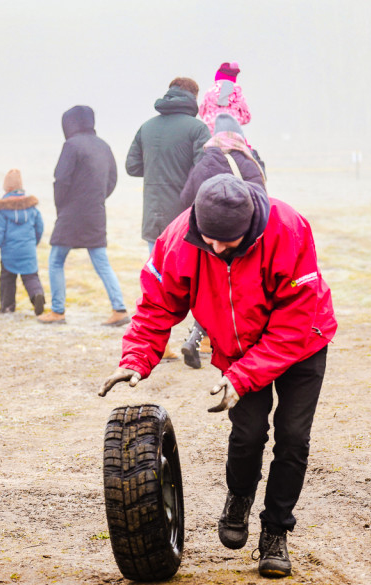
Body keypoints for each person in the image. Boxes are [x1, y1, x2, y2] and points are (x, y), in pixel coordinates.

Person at [98, 173, 337, 579]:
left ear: (250, 226)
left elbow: (292, 325)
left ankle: (275, 532)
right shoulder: (178, 240)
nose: (216, 248)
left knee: (293, 438)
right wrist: (138, 356)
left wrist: (242, 378)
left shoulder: (288, 229)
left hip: (302, 344)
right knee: (247, 434)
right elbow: (157, 305)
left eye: (228, 242)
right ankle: (240, 497)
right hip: (236, 346)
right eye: (209, 238)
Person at [177, 113, 267, 370]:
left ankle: (198, 337)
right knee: (236, 291)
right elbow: (262, 196)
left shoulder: (206, 161)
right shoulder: (251, 159)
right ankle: (231, 340)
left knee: (209, 291)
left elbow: (186, 200)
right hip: (241, 237)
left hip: (207, 237)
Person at [39, 105, 128, 327]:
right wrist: (97, 198)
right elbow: (112, 179)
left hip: (71, 213)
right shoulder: (104, 145)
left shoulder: (71, 145)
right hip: (96, 211)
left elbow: (61, 179)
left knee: (56, 260)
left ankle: (58, 311)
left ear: (70, 124)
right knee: (101, 262)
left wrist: (62, 206)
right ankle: (119, 309)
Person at [126, 77, 211, 253]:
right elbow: (203, 170)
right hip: (184, 218)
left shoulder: (146, 126)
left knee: (155, 274)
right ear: (194, 98)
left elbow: (132, 167)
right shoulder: (198, 128)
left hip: (152, 218)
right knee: (182, 275)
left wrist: (157, 168)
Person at [0, 169, 46, 316]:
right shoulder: (32, 209)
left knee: (8, 279)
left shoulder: (2, 211)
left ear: (8, 189)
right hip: (28, 250)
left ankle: (7, 308)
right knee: (31, 276)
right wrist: (34, 242)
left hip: (10, 253)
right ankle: (37, 295)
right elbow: (40, 227)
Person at [198, 62, 251, 134]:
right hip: (232, 131)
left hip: (210, 132)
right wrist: (236, 119)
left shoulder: (210, 91)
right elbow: (247, 117)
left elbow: (201, 111)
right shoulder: (237, 93)